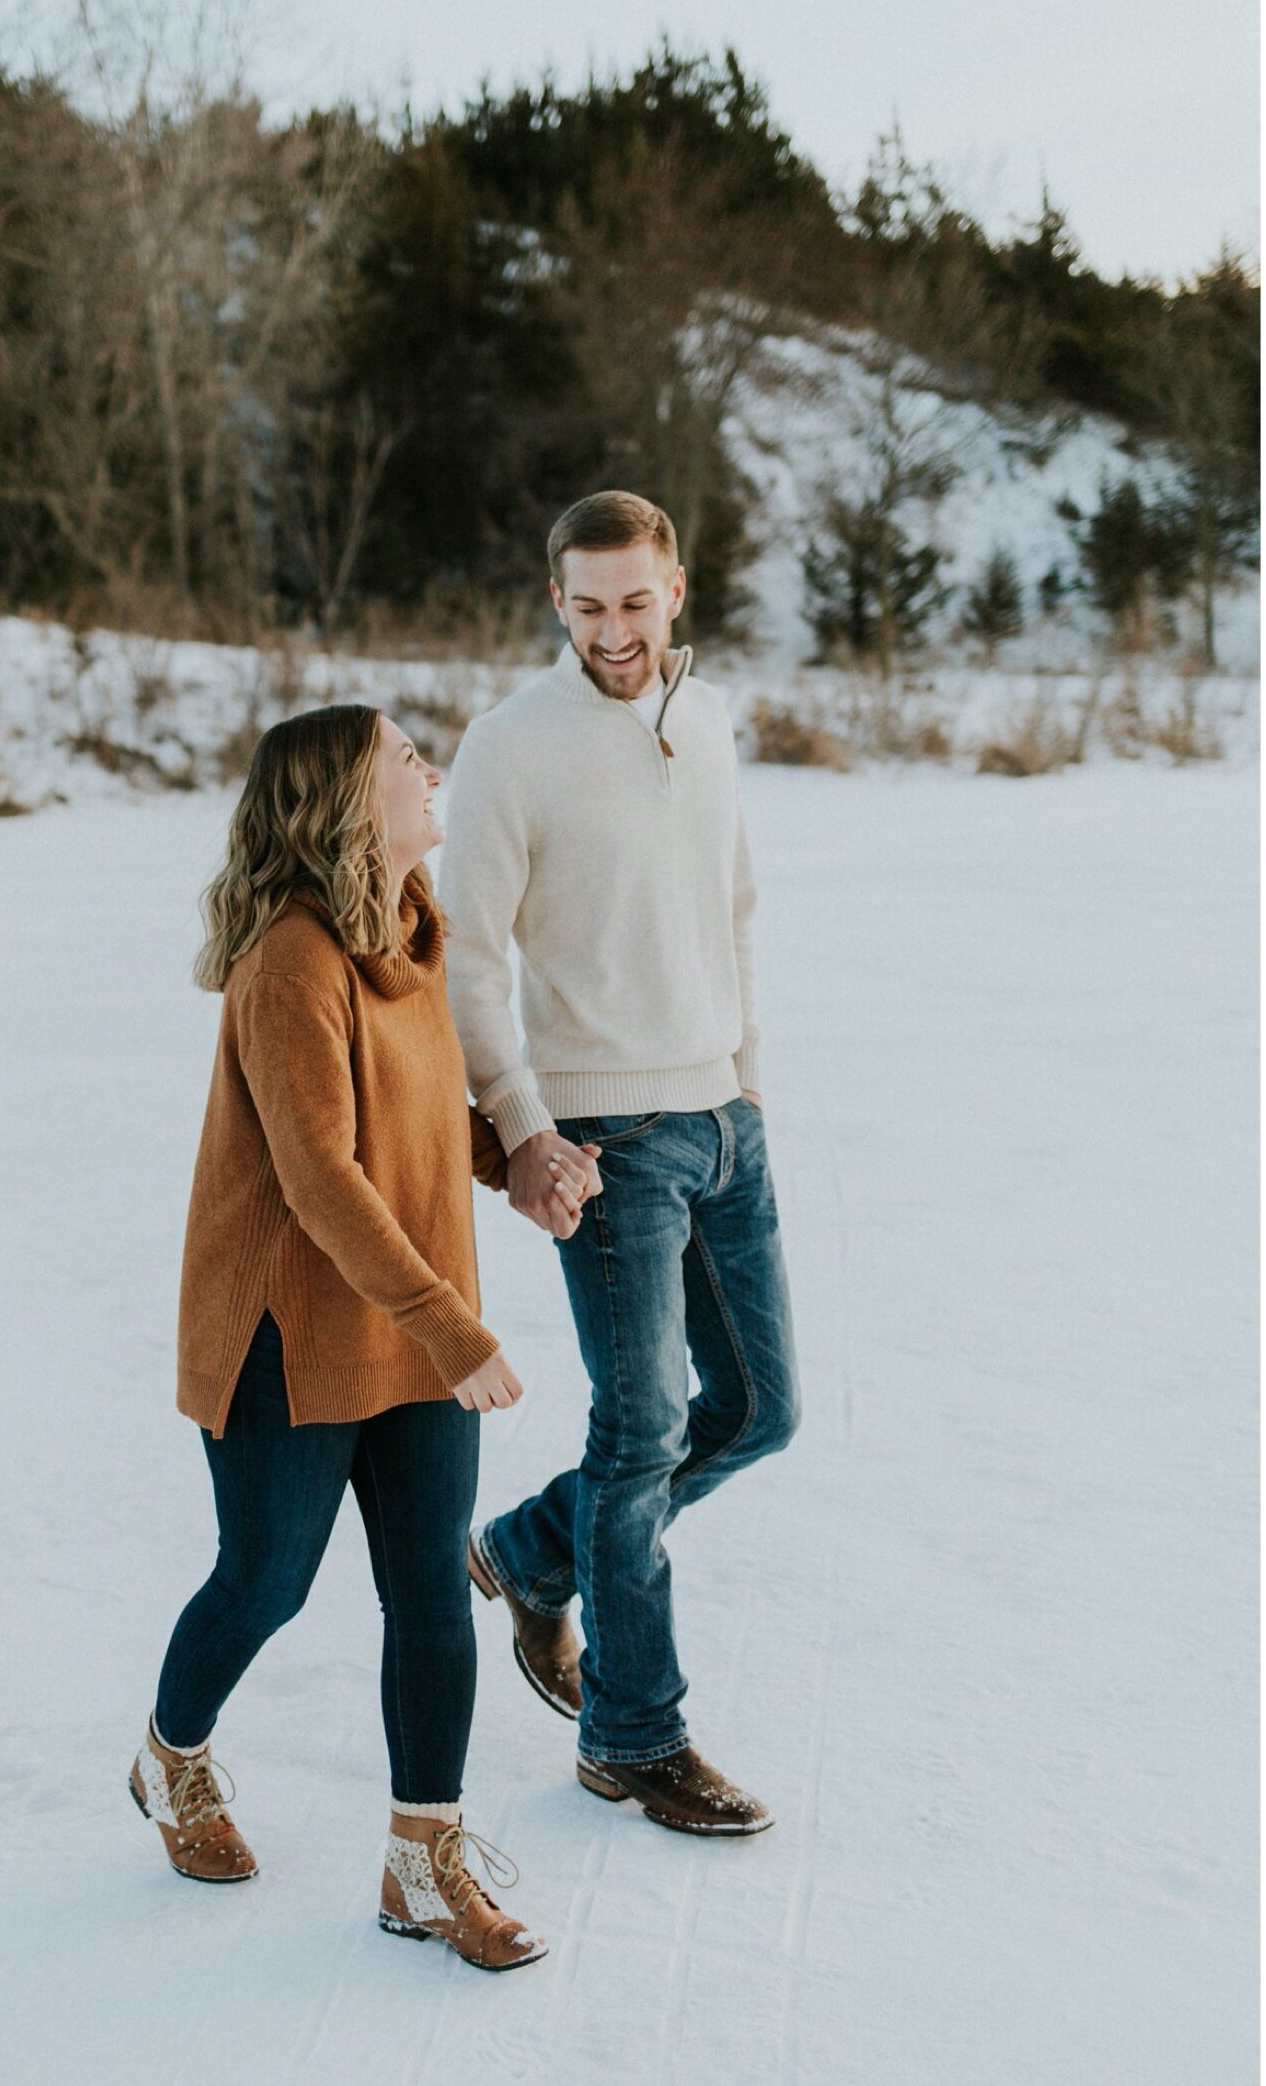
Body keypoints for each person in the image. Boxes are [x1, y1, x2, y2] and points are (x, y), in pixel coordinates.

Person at [129, 705, 593, 1970]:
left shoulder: (410, 932)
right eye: (402, 757)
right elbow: (322, 1174)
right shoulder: (288, 960)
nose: (430, 766)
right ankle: (171, 1760)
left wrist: (515, 1164)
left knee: (430, 1591)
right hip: (290, 1326)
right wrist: (455, 1328)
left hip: (407, 1314)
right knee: (266, 1580)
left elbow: (420, 1112)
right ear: (342, 798)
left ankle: (422, 1861)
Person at [438, 490, 801, 1837]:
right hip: (605, 1143)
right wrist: (526, 1123)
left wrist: (748, 1074)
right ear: (557, 604)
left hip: (724, 1119)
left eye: (635, 603)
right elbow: (467, 957)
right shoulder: (508, 748)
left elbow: (735, 904)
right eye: (586, 607)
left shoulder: (700, 718)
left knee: (760, 1409)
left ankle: (536, 1547)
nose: (613, 632)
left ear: (677, 592)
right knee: (640, 1429)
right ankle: (632, 1735)